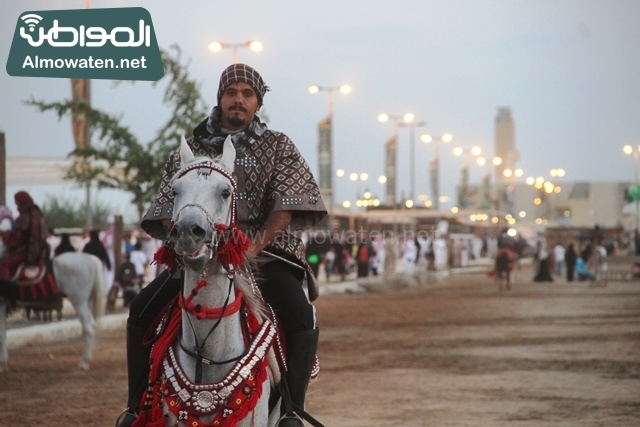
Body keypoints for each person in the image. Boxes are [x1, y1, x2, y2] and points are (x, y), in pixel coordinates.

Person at [115, 64, 327, 427]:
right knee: (140, 309)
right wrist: (189, 242)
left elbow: (286, 206)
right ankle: (135, 404)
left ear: (257, 102)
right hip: (198, 255)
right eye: (232, 93)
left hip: (262, 256)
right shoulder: (191, 146)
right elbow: (169, 205)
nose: (238, 100)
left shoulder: (278, 145)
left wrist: (250, 249)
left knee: (300, 314)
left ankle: (292, 412)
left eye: (247, 94)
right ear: (221, 98)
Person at [0, 191, 48, 282]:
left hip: (26, 252)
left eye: (17, 203)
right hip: (42, 251)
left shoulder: (24, 217)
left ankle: (5, 290)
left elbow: (16, 240)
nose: (16, 206)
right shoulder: (38, 214)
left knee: (3, 264)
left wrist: (4, 234)